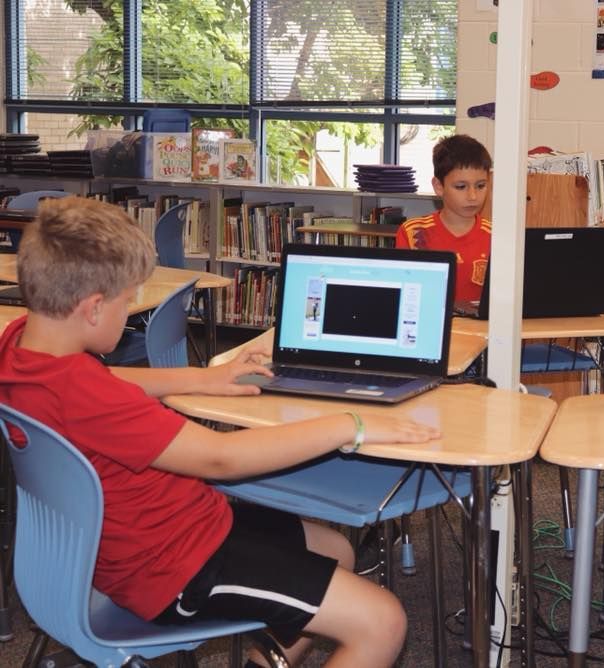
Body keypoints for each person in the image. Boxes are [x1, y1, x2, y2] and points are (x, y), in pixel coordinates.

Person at [0, 196, 441, 668]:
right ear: (92, 308)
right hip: (174, 570)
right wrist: (350, 425)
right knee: (383, 621)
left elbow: (107, 383)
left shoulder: (23, 347)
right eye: (128, 300)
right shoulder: (89, 396)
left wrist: (203, 378)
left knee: (334, 548)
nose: (130, 309)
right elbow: (221, 459)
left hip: (169, 533)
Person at [395, 133, 493, 303]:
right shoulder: (413, 232)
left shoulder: (497, 236)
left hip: (481, 329)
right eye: (461, 187)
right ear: (439, 186)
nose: (473, 196)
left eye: (481, 186)